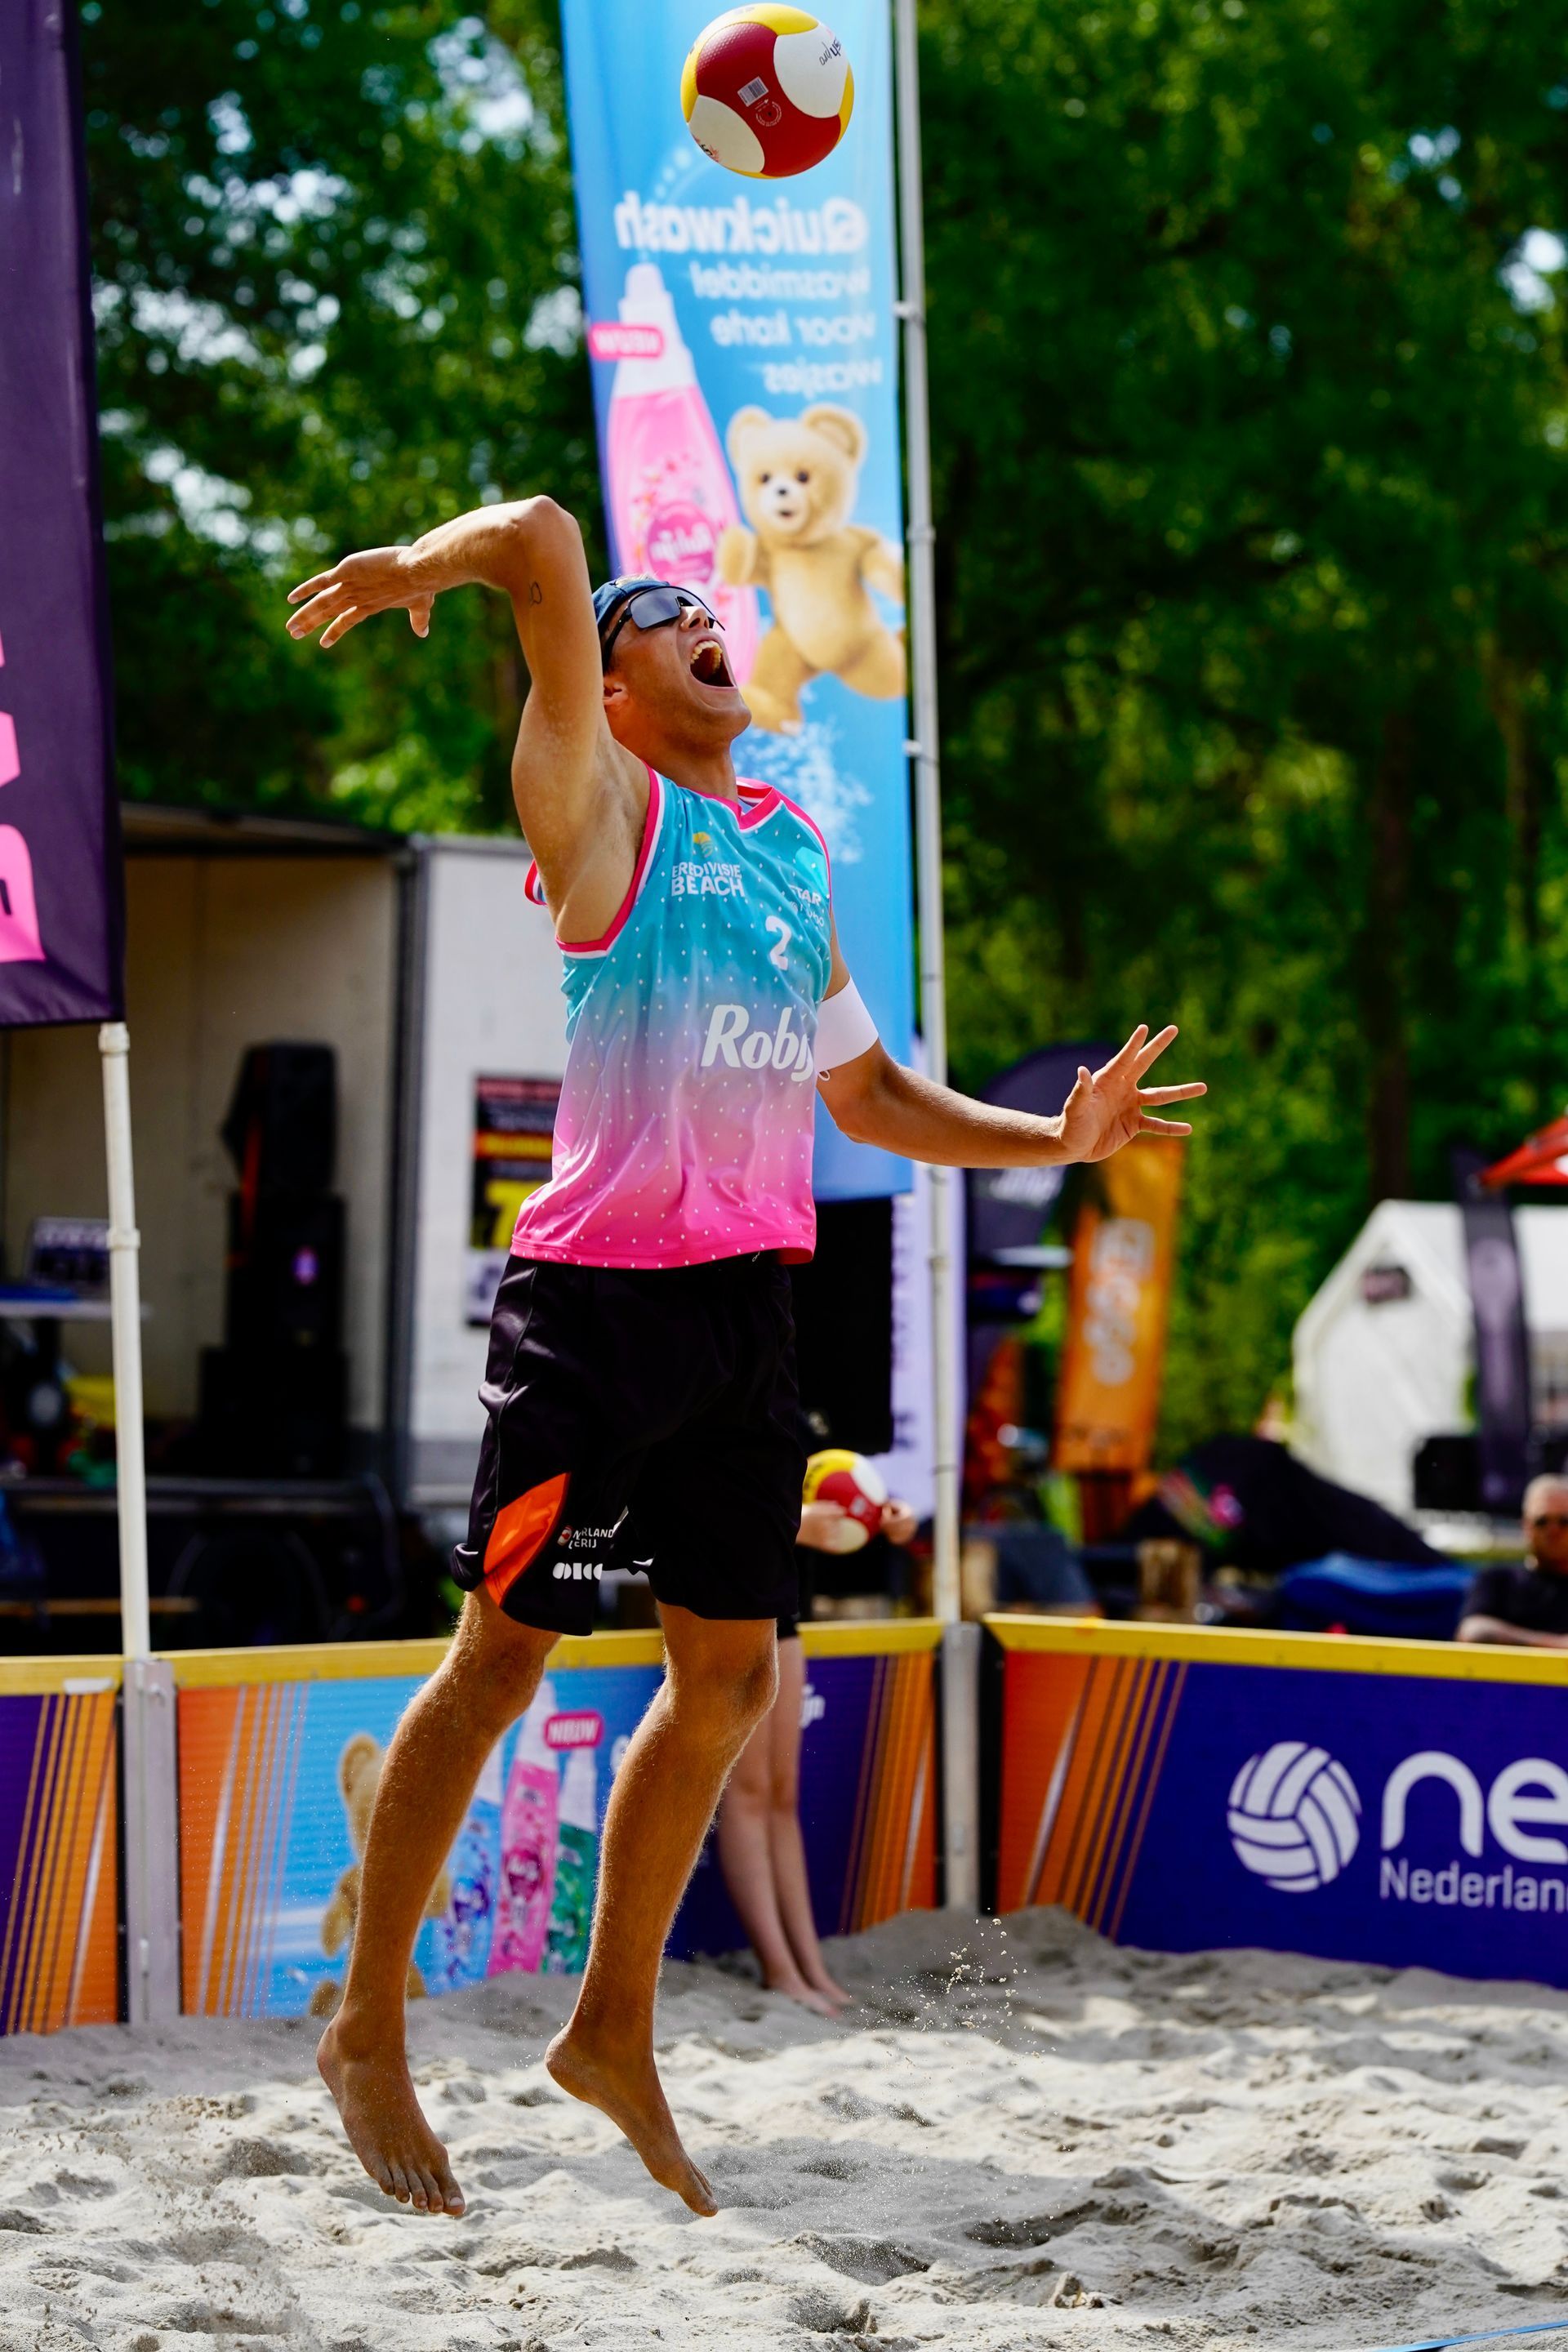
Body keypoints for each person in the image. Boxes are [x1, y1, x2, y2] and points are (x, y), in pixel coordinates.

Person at [284, 493, 1205, 2224]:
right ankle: (368, 2026)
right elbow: (543, 534)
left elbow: (868, 1095)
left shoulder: (786, 843)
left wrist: (1053, 1139)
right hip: (594, 1311)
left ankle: (609, 2033)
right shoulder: (597, 803)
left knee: (726, 1689)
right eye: (662, 615)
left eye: (708, 609)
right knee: (499, 1667)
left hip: (745, 1316)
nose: (704, 619)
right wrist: (420, 569)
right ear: (612, 688)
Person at [715, 1485, 917, 2016]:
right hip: (722, 1599)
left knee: (782, 1796)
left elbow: (826, 1481)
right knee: (748, 1791)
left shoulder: (793, 1433)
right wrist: (790, 1521)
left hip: (782, 1602)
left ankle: (810, 1966)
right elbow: (697, 1503)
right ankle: (780, 1970)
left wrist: (880, 1512)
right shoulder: (715, 1427)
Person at [1456, 1474, 1568, 1647]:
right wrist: (1557, 1645)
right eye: (1542, 1521)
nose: (1553, 1531)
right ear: (1526, 1525)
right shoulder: (1499, 1580)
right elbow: (1473, 1632)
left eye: (1564, 1521)